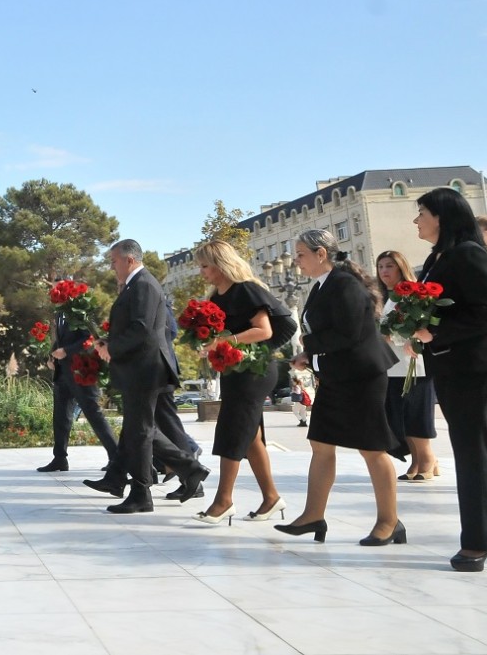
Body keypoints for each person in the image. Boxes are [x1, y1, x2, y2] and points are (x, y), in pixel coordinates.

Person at [275, 229, 401, 546]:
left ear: (321, 254)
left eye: (301, 254)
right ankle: (313, 515)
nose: (297, 262)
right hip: (337, 374)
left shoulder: (344, 284)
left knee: (372, 448)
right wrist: (310, 354)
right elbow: (336, 334)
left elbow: (349, 332)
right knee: (321, 442)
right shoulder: (323, 285)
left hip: (362, 376)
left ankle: (390, 521)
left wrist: (309, 343)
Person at [406, 188, 487, 572]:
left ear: (442, 216)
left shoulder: (468, 254)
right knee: (473, 453)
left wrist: (436, 332)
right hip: (452, 368)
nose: (416, 221)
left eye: (421, 212)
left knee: (475, 455)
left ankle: (476, 542)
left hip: (475, 369)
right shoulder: (435, 259)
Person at [91, 240, 209, 514]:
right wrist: (110, 340)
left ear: (129, 259)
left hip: (145, 369)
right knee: (140, 430)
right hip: (140, 368)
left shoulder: (143, 284)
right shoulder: (137, 284)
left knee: (141, 431)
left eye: (114, 261)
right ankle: (187, 470)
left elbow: (143, 330)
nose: (112, 267)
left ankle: (146, 491)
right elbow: (136, 327)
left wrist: (112, 348)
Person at [191, 241, 288, 525]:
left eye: (205, 265)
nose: (202, 271)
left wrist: (225, 340)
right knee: (250, 437)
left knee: (233, 429)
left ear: (220, 264)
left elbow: (264, 330)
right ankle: (271, 498)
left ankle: (224, 500)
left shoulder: (245, 289)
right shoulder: (216, 296)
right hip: (235, 371)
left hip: (255, 372)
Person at [375, 250, 438, 480]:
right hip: (393, 367)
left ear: (401, 267)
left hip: (414, 363)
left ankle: (427, 459)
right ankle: (416, 460)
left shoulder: (413, 294)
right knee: (403, 418)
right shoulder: (388, 297)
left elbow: (419, 329)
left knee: (417, 415)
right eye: (381, 266)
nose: (384, 271)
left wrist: (393, 337)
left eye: (389, 266)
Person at [38, 295, 119, 473]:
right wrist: (52, 356)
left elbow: (89, 339)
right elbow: (60, 340)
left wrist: (66, 351)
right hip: (62, 373)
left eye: (56, 290)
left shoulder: (81, 311)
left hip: (80, 370)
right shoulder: (59, 313)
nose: (53, 294)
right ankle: (59, 458)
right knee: (60, 417)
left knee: (94, 414)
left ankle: (116, 457)